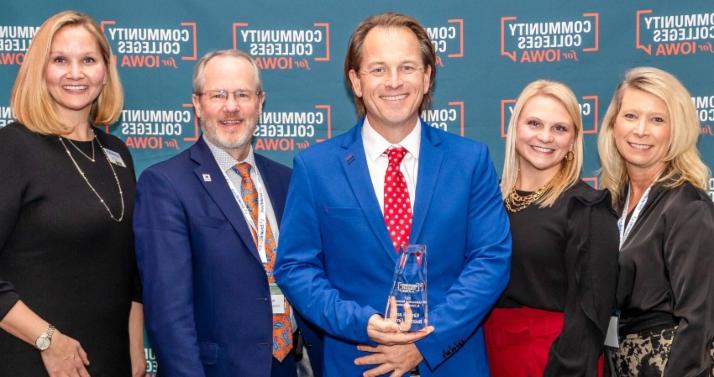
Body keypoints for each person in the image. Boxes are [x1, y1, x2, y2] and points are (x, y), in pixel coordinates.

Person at [274, 12, 511, 377]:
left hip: (452, 364)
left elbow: (490, 261)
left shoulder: (471, 161)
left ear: (428, 76)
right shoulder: (315, 167)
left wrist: (425, 344)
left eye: (407, 68)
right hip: (359, 362)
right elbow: (296, 267)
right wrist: (361, 322)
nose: (394, 82)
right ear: (355, 80)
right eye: (379, 69)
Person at [133, 49, 322, 377]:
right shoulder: (165, 184)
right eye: (218, 95)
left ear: (260, 102)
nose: (231, 106)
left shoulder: (287, 181)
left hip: (289, 367)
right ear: (197, 104)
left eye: (242, 95)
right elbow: (168, 314)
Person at [0, 10, 145, 377]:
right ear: (39, 69)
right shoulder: (12, 148)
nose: (76, 73)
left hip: (109, 359)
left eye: (89, 60)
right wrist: (48, 340)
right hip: (32, 358)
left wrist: (134, 352)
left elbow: (127, 267)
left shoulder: (117, 153)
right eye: (60, 60)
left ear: (105, 70)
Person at [483, 80, 618, 376]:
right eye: (534, 123)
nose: (545, 137)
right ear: (514, 127)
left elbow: (590, 315)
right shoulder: (489, 202)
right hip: (487, 356)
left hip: (551, 360)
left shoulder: (587, 207)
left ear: (573, 141)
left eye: (560, 128)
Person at [598, 67, 714, 376]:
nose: (641, 130)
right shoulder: (611, 202)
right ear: (613, 123)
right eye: (631, 116)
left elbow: (699, 318)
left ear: (677, 130)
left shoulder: (688, 206)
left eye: (658, 119)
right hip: (618, 363)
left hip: (670, 365)